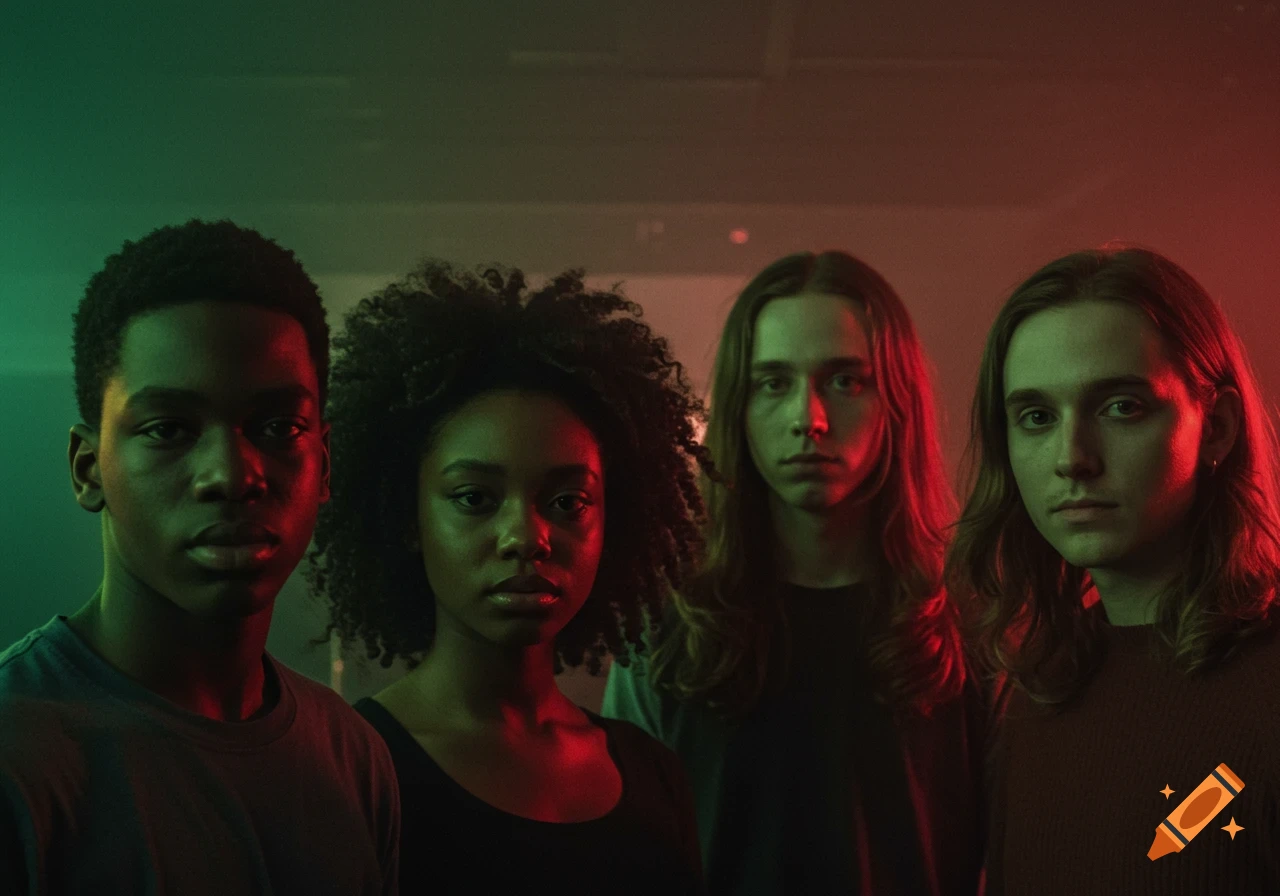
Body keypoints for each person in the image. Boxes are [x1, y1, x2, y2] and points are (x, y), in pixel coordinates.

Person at [0, 220, 400, 894]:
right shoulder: (17, 755)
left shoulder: (352, 755)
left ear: (323, 464)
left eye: (279, 427)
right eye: (169, 429)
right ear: (87, 468)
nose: (231, 473)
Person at [310, 262, 707, 893]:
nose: (526, 537)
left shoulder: (653, 774)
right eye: (474, 498)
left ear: (616, 516)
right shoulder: (350, 772)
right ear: (406, 515)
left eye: (568, 501)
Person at [603, 250, 986, 895]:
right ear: (738, 406)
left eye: (845, 380)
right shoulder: (668, 627)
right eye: (772, 382)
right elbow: (628, 860)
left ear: (896, 399)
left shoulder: (966, 621)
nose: (807, 419)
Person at [947, 246, 1280, 894]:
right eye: (1037, 417)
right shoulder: (1037, 689)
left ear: (1215, 427)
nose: (1072, 457)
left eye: (1120, 406)